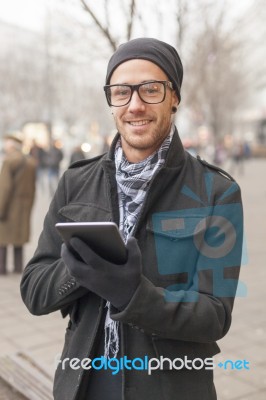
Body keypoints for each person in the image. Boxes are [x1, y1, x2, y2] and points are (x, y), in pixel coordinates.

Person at [20, 38, 244, 400]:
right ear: (111, 101)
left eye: (151, 89)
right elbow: (33, 290)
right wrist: (80, 270)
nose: (135, 105)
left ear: (175, 98)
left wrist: (133, 295)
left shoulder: (216, 192)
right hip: (82, 384)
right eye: (121, 92)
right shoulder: (75, 182)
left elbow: (215, 316)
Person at [0, 132, 36, 275]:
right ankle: (17, 267)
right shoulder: (30, 162)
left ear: (11, 146)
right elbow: (33, 188)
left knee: (2, 238)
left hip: (10, 206)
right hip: (24, 206)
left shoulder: (9, 161)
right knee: (19, 238)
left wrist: (0, 209)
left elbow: (4, 188)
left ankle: (1, 268)